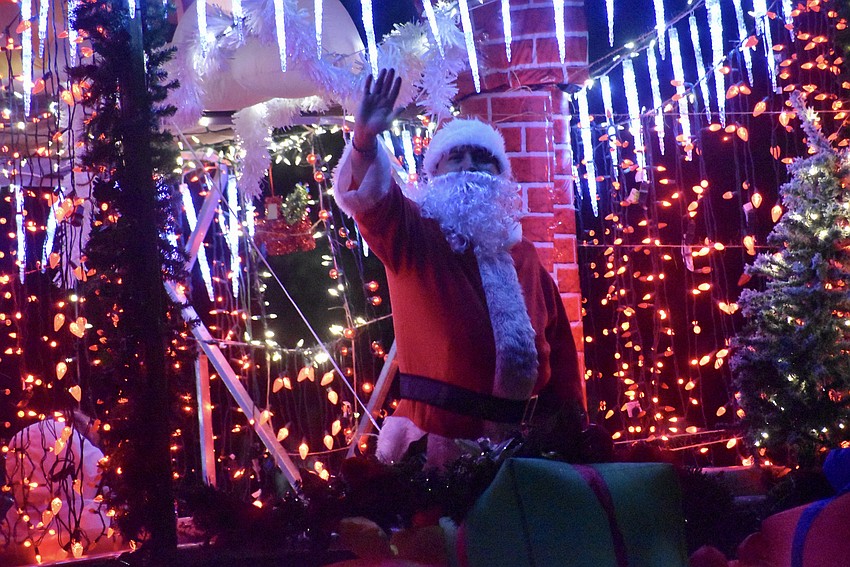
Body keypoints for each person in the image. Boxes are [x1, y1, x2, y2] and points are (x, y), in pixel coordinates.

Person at [333, 69, 586, 466]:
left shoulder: (525, 256)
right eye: (457, 157)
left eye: (483, 159)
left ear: (501, 177)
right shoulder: (413, 235)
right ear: (433, 175)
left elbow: (562, 358)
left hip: (524, 451)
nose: (470, 167)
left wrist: (573, 430)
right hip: (440, 449)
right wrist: (364, 142)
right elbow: (372, 202)